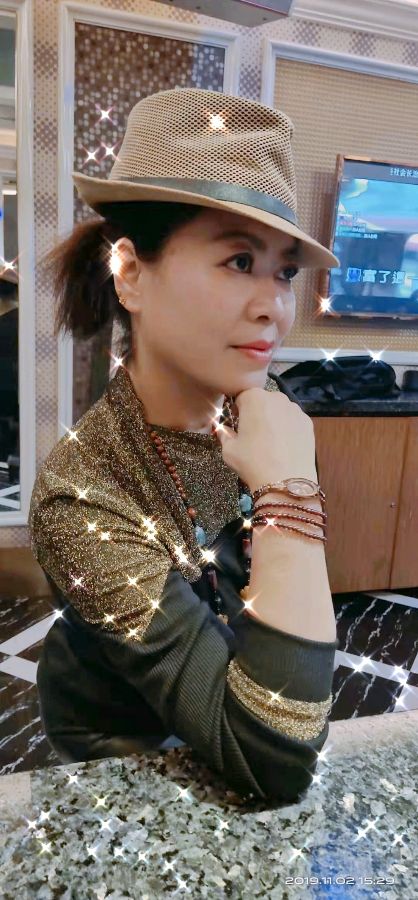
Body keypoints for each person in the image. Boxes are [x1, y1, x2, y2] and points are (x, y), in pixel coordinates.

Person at [29, 87, 340, 803]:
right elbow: (274, 761)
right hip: (122, 756)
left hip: (241, 686)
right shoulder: (82, 494)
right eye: (239, 261)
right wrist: (290, 495)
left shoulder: (270, 420)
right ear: (132, 274)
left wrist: (285, 492)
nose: (274, 307)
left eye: (285, 271)